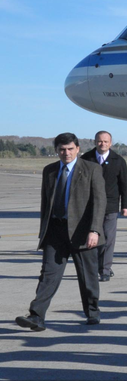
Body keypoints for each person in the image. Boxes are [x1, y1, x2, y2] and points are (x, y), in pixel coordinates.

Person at [17, 132, 106, 331]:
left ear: (78, 149)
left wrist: (95, 230)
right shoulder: (49, 171)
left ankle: (92, 312)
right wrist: (43, 231)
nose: (66, 153)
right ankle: (36, 316)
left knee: (88, 277)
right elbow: (45, 203)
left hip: (82, 233)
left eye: (70, 149)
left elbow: (100, 202)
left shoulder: (91, 169)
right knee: (48, 275)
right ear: (56, 150)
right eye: (62, 150)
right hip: (55, 231)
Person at [80, 131, 127, 283]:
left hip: (111, 205)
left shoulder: (118, 160)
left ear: (111, 143)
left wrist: (126, 205)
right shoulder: (85, 159)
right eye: (100, 141)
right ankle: (92, 267)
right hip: (89, 206)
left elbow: (124, 184)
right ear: (95, 142)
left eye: (105, 141)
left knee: (108, 239)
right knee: (91, 238)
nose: (102, 144)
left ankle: (105, 270)